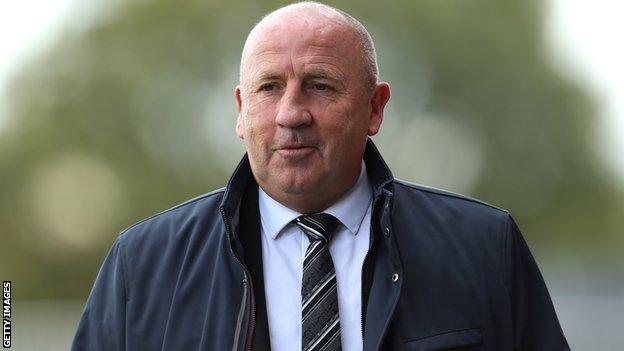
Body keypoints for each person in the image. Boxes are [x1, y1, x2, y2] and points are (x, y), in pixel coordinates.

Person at [72, 2, 570, 350]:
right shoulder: (143, 266)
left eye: (320, 85)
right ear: (242, 112)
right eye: (269, 88)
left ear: (375, 108)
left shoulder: (484, 248)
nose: (291, 114)